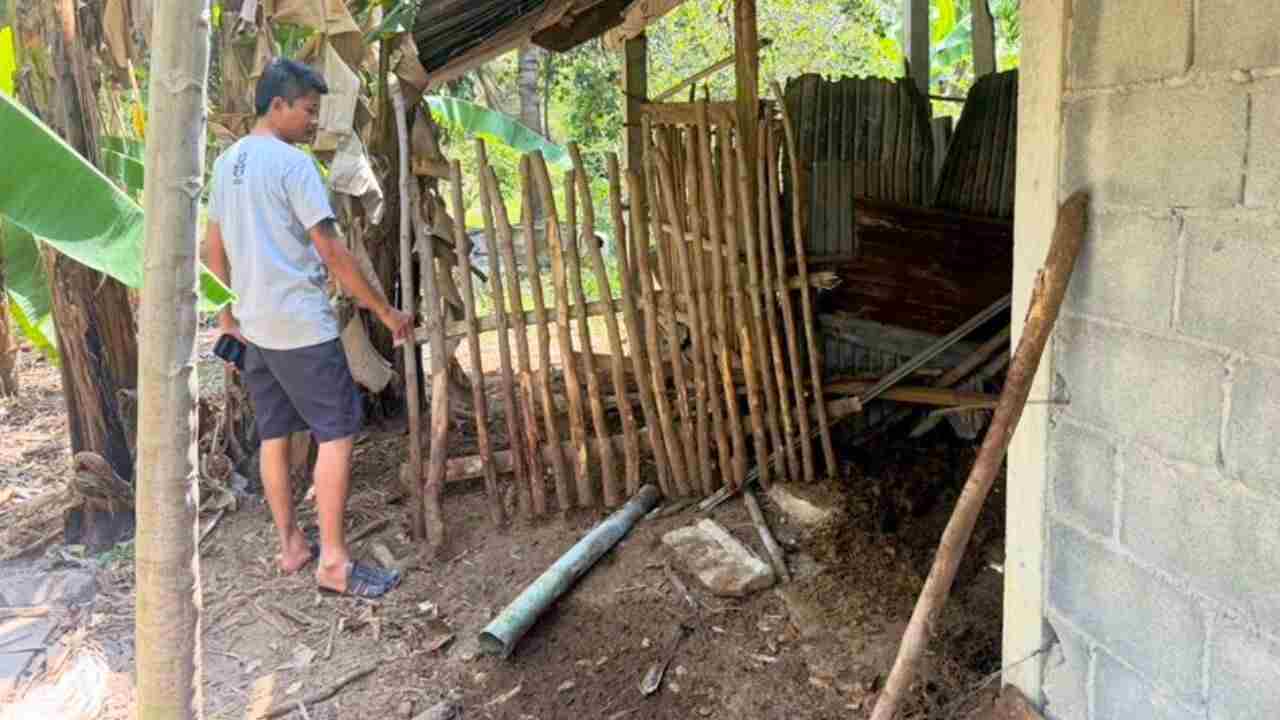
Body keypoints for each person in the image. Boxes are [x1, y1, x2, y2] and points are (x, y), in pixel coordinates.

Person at [205, 58, 411, 598]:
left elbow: (213, 248)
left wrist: (228, 319)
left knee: (274, 435)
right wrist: (384, 313)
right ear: (278, 105)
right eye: (308, 110)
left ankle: (292, 545)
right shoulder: (294, 167)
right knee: (336, 435)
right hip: (300, 325)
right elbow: (332, 251)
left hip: (255, 328)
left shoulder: (226, 164)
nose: (313, 122)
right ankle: (334, 563)